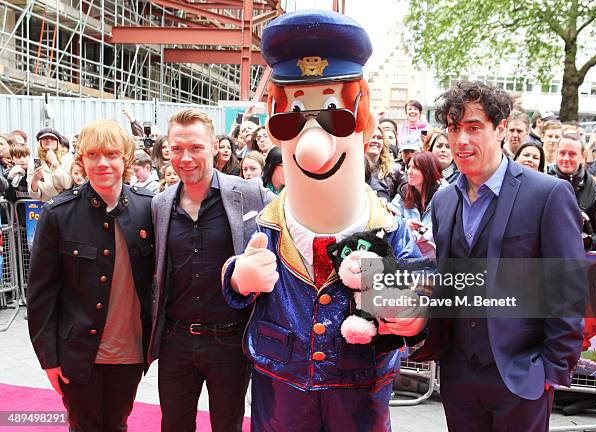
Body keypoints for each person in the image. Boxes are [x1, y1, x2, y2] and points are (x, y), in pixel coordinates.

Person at [222, 10, 425, 431]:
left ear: (361, 116)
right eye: (293, 115)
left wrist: (414, 312)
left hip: (359, 389)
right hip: (280, 386)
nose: (313, 143)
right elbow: (232, 276)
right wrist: (237, 277)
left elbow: (418, 282)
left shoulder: (386, 226)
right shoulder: (265, 222)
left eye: (334, 113)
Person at [412, 81, 586, 432]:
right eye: (453, 128)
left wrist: (551, 370)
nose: (461, 140)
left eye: (474, 128)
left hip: (523, 374)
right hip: (459, 373)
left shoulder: (547, 194)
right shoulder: (444, 200)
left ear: (501, 129)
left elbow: (567, 289)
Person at [148, 108, 275, 432]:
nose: (185, 157)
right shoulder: (160, 204)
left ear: (215, 148)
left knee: (228, 426)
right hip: (175, 340)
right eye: (176, 149)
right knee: (173, 425)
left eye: (195, 147)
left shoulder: (250, 194)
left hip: (229, 341)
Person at [27, 120, 155, 432]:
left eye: (111, 154)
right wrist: (48, 359)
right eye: (93, 154)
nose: (102, 163)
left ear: (125, 158)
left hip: (131, 352)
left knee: (117, 425)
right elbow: (41, 294)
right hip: (77, 352)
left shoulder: (149, 209)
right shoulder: (58, 214)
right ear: (81, 159)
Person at [548, 132, 596, 251]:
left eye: (572, 154)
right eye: (562, 153)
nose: (566, 158)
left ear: (583, 155)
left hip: (580, 260)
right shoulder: (542, 183)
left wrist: (586, 241)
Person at [390, 151, 444, 236]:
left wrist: (425, 231)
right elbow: (390, 221)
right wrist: (405, 225)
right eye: (409, 167)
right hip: (407, 247)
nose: (409, 172)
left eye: (415, 168)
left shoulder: (445, 195)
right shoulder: (403, 193)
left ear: (428, 171)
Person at [27, 127, 73, 202]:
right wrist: (34, 180)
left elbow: (68, 185)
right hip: (46, 207)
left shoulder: (67, 158)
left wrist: (56, 164)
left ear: (58, 142)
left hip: (65, 204)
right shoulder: (35, 162)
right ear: (40, 142)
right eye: (45, 138)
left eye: (52, 138)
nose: (49, 140)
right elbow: (34, 196)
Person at [366, 126, 397, 200]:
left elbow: (405, 187)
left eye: (379, 138)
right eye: (372, 137)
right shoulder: (356, 165)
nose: (375, 141)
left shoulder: (394, 169)